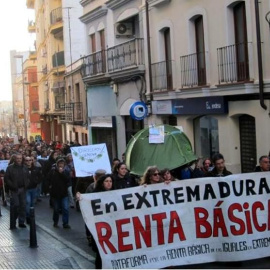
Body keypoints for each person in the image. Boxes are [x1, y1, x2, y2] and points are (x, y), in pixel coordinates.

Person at [91, 174, 114, 269]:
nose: (109, 183)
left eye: (110, 181)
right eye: (106, 181)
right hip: (100, 230)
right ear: (102, 183)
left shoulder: (116, 194)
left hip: (112, 229)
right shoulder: (95, 195)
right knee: (101, 254)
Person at [4, 153, 30, 228]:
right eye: (17, 158)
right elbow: (7, 178)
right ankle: (13, 221)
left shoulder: (25, 167)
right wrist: (12, 186)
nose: (19, 160)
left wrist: (26, 184)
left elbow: (28, 177)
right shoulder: (10, 168)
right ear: (15, 159)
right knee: (16, 205)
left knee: (23, 205)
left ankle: (21, 222)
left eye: (20, 158)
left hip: (23, 189)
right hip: (14, 190)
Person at [48, 158, 71, 229]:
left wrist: (62, 173)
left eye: (62, 164)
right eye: (60, 163)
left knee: (65, 208)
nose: (61, 165)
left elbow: (68, 180)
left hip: (64, 193)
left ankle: (65, 223)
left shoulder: (66, 171)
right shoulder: (53, 171)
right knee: (56, 209)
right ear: (57, 164)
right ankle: (55, 221)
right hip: (55, 193)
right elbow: (48, 179)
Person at [24, 156, 42, 224]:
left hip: (34, 188)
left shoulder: (36, 169)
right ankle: (28, 217)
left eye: (30, 160)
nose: (28, 162)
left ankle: (31, 216)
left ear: (32, 161)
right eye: (27, 160)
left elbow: (40, 176)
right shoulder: (23, 169)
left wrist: (36, 182)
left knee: (32, 203)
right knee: (28, 202)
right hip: (26, 189)